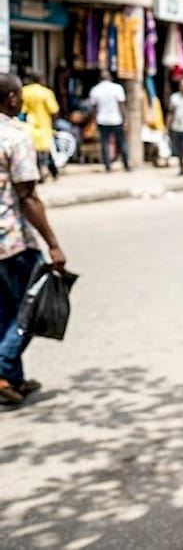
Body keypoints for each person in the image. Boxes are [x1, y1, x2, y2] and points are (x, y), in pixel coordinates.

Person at [0, 73, 66, 405]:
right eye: (18, 95)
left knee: (6, 311)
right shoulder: (15, 135)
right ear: (11, 99)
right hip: (11, 241)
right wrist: (53, 243)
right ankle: (3, 370)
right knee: (33, 309)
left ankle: (13, 379)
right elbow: (28, 196)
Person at [21, 71, 60, 181]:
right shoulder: (46, 93)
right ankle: (47, 171)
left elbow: (22, 110)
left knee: (35, 150)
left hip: (31, 124)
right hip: (44, 124)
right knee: (46, 149)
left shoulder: (25, 91)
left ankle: (43, 171)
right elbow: (54, 109)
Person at [88, 70, 129, 172]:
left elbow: (94, 108)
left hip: (102, 120)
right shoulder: (117, 88)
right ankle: (126, 164)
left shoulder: (95, 90)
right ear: (110, 77)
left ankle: (108, 166)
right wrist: (126, 118)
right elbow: (122, 105)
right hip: (116, 119)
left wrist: (93, 120)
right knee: (122, 142)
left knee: (105, 143)